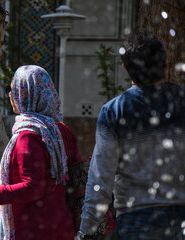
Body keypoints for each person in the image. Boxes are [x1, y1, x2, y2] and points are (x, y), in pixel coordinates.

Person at [78, 29, 185, 240]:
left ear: (126, 69)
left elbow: (100, 177)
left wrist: (87, 231)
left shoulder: (114, 111)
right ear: (165, 64)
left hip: (135, 222)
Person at [0, 65, 83, 240]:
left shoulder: (28, 137)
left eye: (13, 90)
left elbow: (32, 188)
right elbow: (76, 176)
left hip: (34, 229)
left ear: (26, 94)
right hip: (62, 226)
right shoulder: (61, 131)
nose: (10, 95)